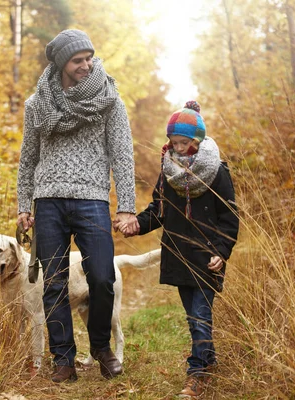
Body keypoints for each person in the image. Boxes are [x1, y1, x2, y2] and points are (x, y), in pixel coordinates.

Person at [16, 29, 137, 383]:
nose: (86, 65)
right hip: (48, 201)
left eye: (88, 58)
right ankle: (64, 360)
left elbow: (122, 155)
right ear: (61, 64)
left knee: (102, 277)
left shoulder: (109, 97)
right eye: (77, 61)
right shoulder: (36, 105)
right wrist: (25, 202)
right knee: (53, 282)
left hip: (93, 199)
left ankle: (100, 345)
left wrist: (126, 205)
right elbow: (28, 158)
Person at [116, 101, 239, 398]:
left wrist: (220, 252)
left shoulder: (217, 171)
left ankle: (196, 373)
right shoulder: (169, 170)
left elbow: (230, 217)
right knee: (193, 315)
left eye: (185, 143)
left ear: (197, 142)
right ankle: (208, 360)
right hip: (178, 255)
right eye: (174, 142)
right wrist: (136, 224)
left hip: (207, 256)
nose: (179, 148)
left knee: (199, 314)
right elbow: (158, 210)